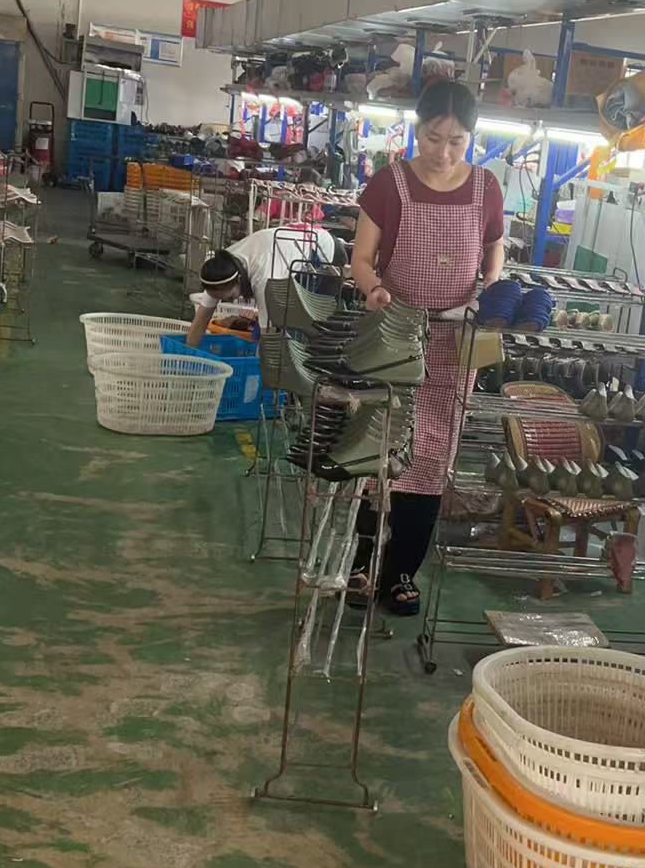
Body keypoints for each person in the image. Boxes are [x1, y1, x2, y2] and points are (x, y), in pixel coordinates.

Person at [350, 78, 505, 613]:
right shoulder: (388, 183)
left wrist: (489, 289)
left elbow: (495, 249)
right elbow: (361, 259)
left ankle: (401, 572)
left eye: (456, 141)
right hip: (393, 334)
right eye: (434, 138)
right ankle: (360, 565)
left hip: (455, 342)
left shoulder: (486, 187)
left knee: (432, 458)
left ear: (471, 138)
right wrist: (374, 289)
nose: (443, 153)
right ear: (417, 130)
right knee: (379, 450)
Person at [186, 223, 336, 345]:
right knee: (261, 332)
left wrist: (258, 366)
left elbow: (267, 336)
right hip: (288, 247)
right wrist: (188, 354)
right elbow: (201, 320)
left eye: (230, 297)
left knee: (295, 331)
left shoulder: (264, 279)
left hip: (320, 253)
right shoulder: (219, 272)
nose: (227, 300)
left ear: (239, 280)